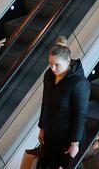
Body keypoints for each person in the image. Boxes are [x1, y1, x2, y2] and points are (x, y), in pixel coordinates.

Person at [38, 37, 90, 169]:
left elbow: (80, 115)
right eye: (50, 63)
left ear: (68, 62)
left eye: (57, 65)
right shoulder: (48, 75)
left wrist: (74, 144)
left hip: (68, 138)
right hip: (51, 134)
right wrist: (42, 127)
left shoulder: (79, 84)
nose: (53, 68)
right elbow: (45, 102)